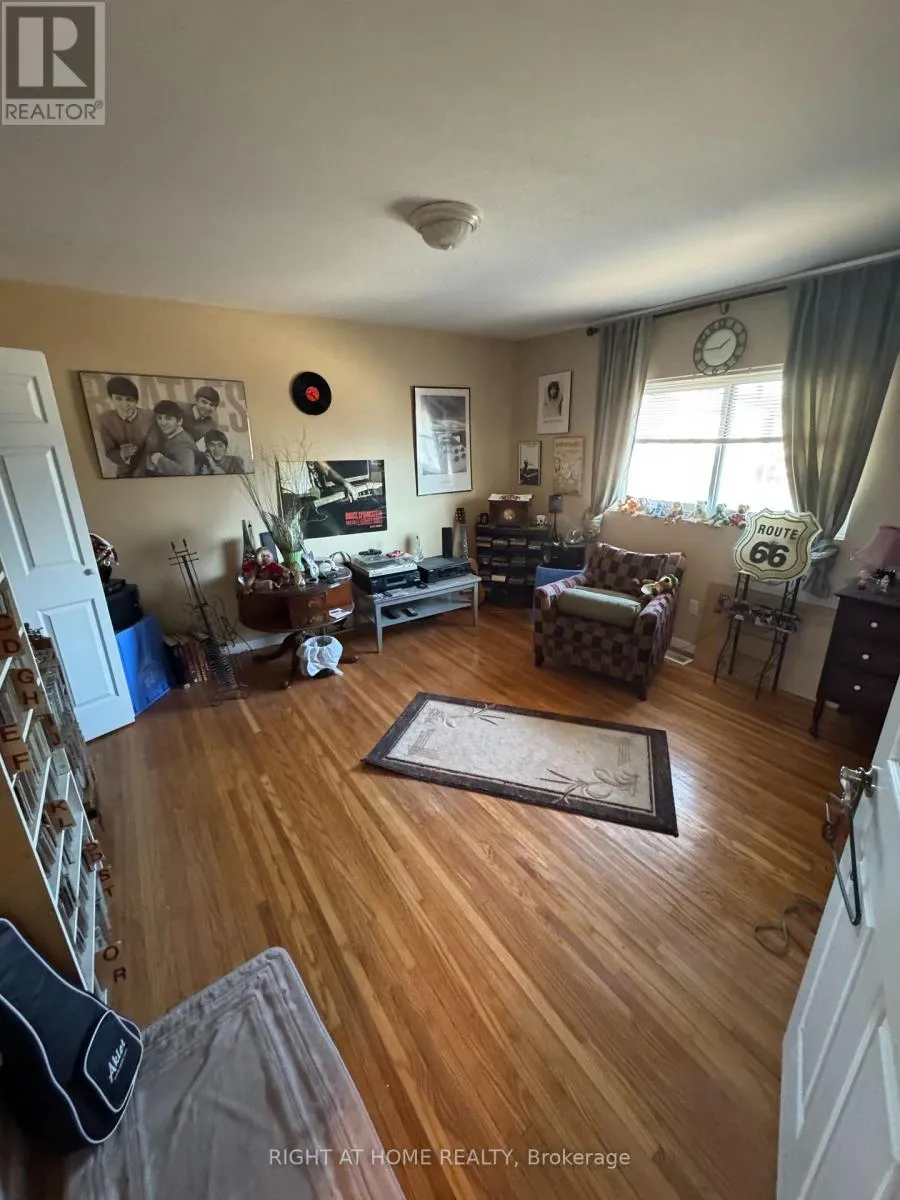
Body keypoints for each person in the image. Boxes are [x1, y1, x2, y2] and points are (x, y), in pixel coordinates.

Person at [97, 376, 154, 477]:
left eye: (129, 400)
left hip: (149, 469)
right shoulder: (105, 420)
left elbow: (156, 447)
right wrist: (122, 454)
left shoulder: (150, 417)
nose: (124, 404)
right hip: (125, 472)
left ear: (136, 401)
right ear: (111, 399)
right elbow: (109, 451)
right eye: (118, 399)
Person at [146, 401, 198, 476]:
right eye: (159, 418)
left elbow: (187, 472)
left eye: (168, 418)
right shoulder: (172, 434)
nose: (163, 423)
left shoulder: (183, 444)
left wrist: (159, 460)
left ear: (179, 421)